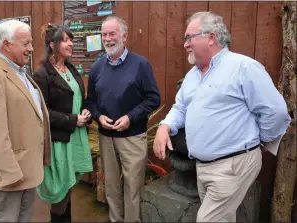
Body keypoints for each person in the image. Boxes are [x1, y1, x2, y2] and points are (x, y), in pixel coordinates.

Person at [153, 11, 291, 222]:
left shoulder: (243, 67)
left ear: (211, 37)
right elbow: (180, 107)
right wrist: (165, 126)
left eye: (189, 37)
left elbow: (277, 112)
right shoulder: (192, 76)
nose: (185, 44)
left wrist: (262, 139)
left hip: (232, 164)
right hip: (203, 165)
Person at [0, 19, 52, 222]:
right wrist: (10, 174)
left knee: (23, 218)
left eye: (31, 43)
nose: (31, 49)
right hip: (12, 171)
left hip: (26, 167)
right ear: (6, 44)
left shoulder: (17, 70)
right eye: (26, 44)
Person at [85, 15, 161, 223]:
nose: (108, 39)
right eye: (104, 34)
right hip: (105, 137)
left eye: (112, 33)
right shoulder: (97, 67)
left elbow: (153, 98)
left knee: (133, 186)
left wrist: (130, 117)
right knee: (111, 186)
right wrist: (99, 117)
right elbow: (90, 102)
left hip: (133, 137)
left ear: (124, 36)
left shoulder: (140, 65)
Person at [33, 23, 93, 223]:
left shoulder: (70, 68)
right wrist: (73, 120)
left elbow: (77, 100)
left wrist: (85, 112)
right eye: (65, 40)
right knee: (59, 190)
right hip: (59, 141)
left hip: (75, 137)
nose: (70, 44)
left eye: (71, 40)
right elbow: (43, 112)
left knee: (68, 189)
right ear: (52, 44)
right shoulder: (42, 74)